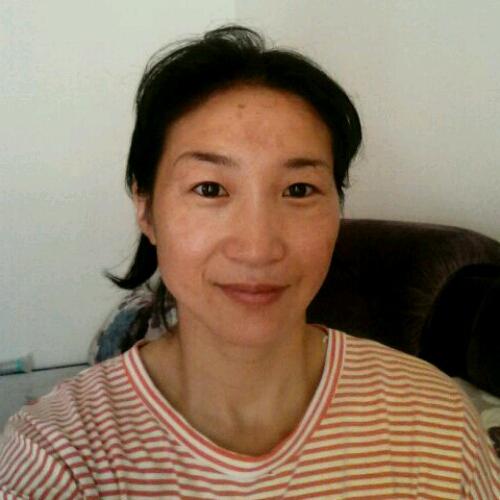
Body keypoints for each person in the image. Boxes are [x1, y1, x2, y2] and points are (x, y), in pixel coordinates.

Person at [0, 24, 498, 499]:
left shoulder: (436, 421)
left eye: (298, 190)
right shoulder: (58, 455)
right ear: (146, 209)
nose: (258, 248)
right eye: (210, 189)